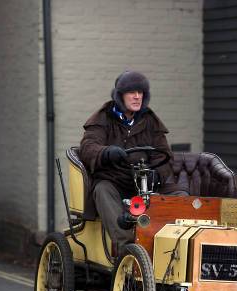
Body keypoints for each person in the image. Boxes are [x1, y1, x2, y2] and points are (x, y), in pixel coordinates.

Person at [79, 71, 187, 256]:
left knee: (181, 195)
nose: (137, 96)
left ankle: (173, 248)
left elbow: (164, 155)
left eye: (141, 92)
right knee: (102, 190)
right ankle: (127, 250)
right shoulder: (103, 118)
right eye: (131, 92)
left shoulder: (150, 120)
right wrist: (107, 152)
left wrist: (157, 174)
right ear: (120, 95)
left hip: (147, 184)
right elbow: (88, 147)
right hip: (115, 182)